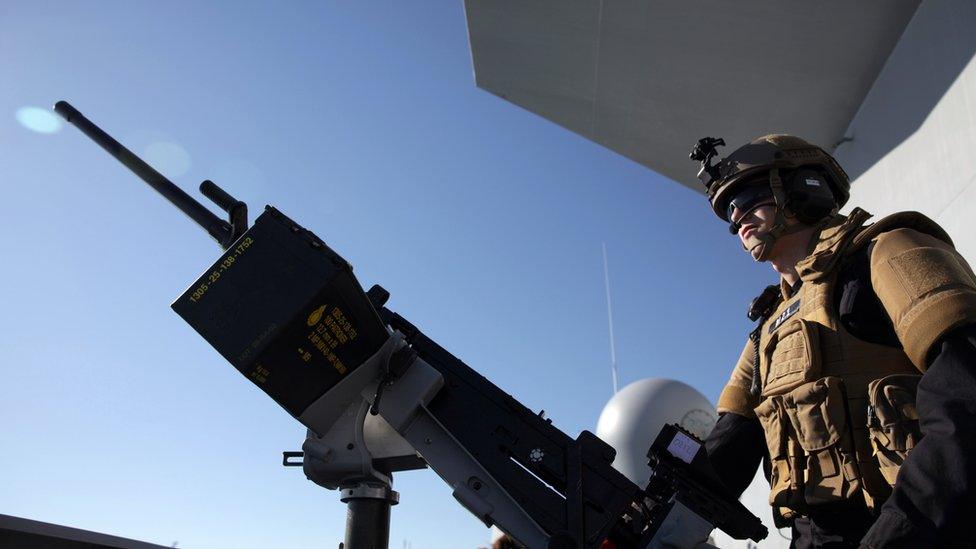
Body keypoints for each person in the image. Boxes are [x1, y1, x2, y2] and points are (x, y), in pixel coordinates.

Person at [691, 135, 976, 548]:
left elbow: (965, 395)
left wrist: (900, 532)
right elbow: (728, 449)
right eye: (731, 213)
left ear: (805, 188)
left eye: (751, 197)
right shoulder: (766, 328)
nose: (739, 219)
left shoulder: (888, 250)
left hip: (912, 522)